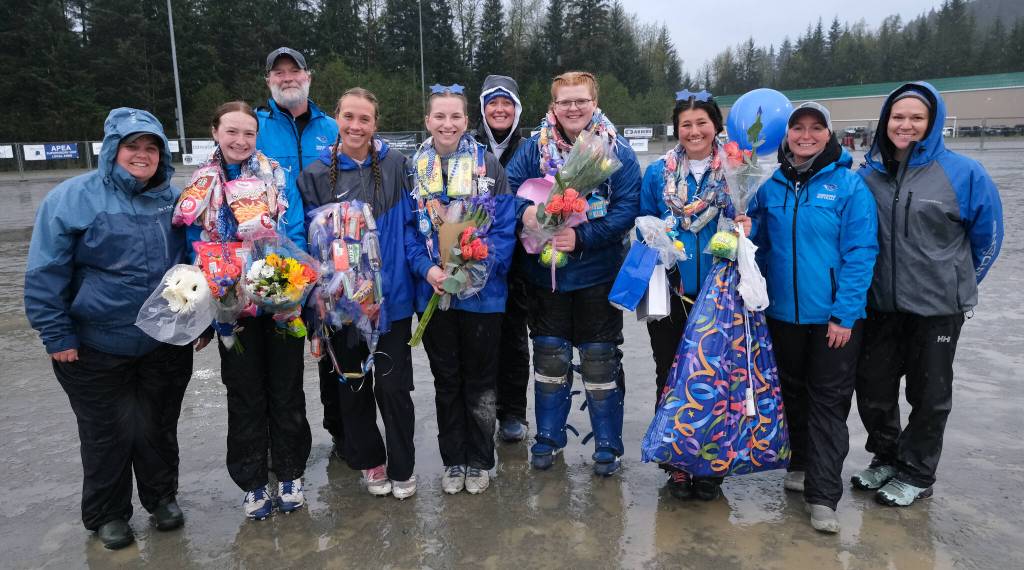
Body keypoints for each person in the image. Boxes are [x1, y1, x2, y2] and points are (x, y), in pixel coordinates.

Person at [24, 108, 192, 549]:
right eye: (132, 146)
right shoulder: (72, 198)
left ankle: (161, 500)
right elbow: (45, 272)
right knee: (107, 433)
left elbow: (192, 267)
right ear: (112, 151)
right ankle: (107, 514)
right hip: (95, 344)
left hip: (162, 342)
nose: (142, 155)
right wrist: (56, 334)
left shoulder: (174, 201)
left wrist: (197, 321)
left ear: (162, 154)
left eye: (151, 147)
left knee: (158, 427)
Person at [852, 82, 1003, 507]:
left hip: (937, 309)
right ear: (885, 122)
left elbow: (989, 238)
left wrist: (958, 284)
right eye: (898, 117)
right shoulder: (868, 176)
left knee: (929, 394)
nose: (906, 125)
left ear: (932, 123)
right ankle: (886, 455)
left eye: (916, 118)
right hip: (880, 305)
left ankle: (917, 472)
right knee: (874, 388)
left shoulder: (964, 173)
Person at [738, 101, 878, 533]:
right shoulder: (768, 184)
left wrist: (845, 314)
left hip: (832, 320)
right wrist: (743, 229)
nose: (806, 135)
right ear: (785, 135)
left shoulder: (849, 187)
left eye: (816, 128)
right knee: (790, 395)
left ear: (828, 134)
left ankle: (823, 497)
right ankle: (798, 465)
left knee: (828, 404)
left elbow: (860, 254)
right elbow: (758, 243)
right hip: (780, 315)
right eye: (797, 127)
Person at [179, 101, 311, 520]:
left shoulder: (276, 176)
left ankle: (290, 471)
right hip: (229, 308)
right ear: (216, 132)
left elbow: (295, 231)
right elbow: (189, 243)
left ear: (258, 136)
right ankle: (253, 480)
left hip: (278, 301)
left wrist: (291, 286)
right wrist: (206, 295)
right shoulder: (201, 182)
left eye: (248, 134)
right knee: (244, 394)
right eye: (231, 132)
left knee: (287, 390)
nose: (240, 141)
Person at [505, 71, 641, 476]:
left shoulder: (617, 150)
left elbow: (625, 211)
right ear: (553, 107)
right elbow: (505, 193)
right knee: (549, 355)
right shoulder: (533, 150)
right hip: (544, 275)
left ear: (594, 103)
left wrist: (582, 239)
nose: (573, 108)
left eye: (581, 100)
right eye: (565, 102)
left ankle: (607, 445)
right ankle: (548, 437)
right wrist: (526, 213)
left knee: (600, 360)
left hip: (597, 273)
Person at [298, 87, 423, 500]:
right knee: (353, 387)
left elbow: (413, 228)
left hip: (392, 300)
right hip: (343, 305)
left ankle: (403, 465)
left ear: (375, 123)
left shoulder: (398, 165)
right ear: (337, 118)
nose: (355, 125)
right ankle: (372, 461)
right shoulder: (315, 174)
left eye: (364, 119)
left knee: (392, 387)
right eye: (348, 117)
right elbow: (309, 246)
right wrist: (317, 309)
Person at [408, 84, 516, 495]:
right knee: (447, 380)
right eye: (439, 116)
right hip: (434, 292)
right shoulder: (413, 168)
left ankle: (480, 459)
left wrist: (477, 265)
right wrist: (427, 269)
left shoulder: (488, 165)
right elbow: (407, 232)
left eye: (455, 117)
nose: (447, 124)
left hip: (484, 297)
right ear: (428, 121)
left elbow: (505, 228)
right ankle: (454, 459)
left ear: (467, 122)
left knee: (482, 381)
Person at [638, 90, 733, 499]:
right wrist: (655, 237)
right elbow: (641, 226)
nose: (694, 131)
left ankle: (710, 464)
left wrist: (745, 226)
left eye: (702, 123)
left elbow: (756, 223)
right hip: (671, 290)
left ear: (716, 125)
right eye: (686, 125)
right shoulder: (658, 174)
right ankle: (676, 461)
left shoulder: (736, 169)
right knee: (671, 374)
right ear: (676, 129)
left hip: (720, 294)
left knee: (715, 378)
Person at [256, 46, 342, 453]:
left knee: (332, 348)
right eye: (279, 72)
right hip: (277, 265)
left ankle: (343, 432)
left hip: (331, 260)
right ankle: (285, 448)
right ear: (268, 80)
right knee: (283, 362)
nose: (288, 77)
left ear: (309, 76)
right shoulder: (255, 127)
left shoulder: (332, 127)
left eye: (295, 70)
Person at [474, 74, 529, 442]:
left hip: (522, 258)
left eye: (506, 103)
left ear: (517, 108)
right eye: (492, 103)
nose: (499, 109)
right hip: (477, 257)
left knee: (514, 336)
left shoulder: (530, 148)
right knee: (482, 337)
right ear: (482, 108)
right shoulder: (468, 144)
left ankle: (514, 411)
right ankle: (485, 407)